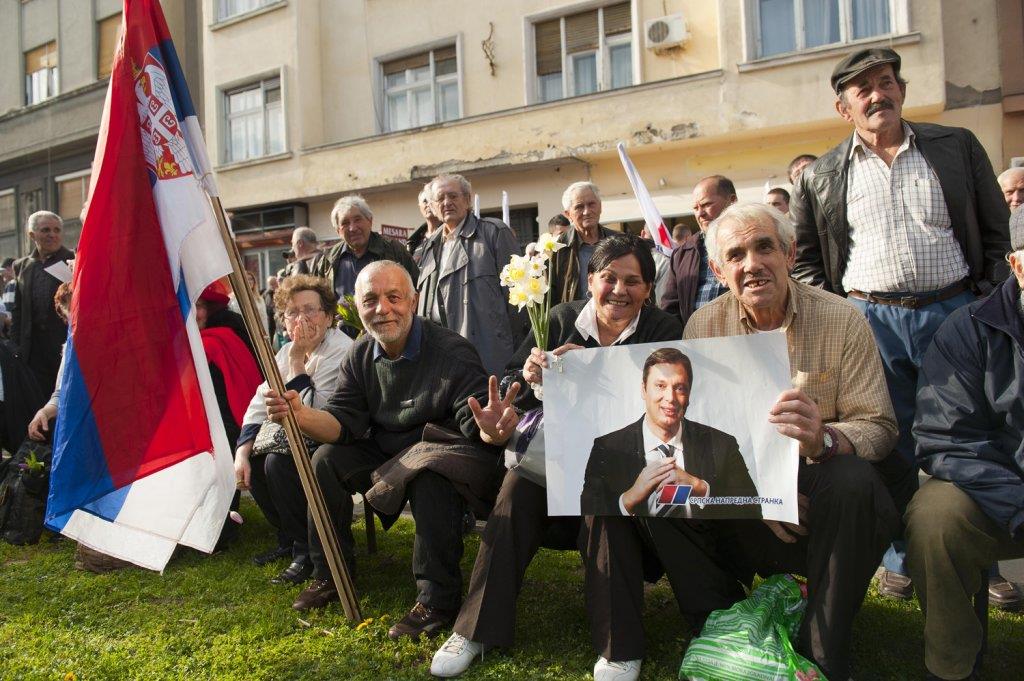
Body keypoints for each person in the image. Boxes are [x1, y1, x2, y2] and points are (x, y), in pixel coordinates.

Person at [790, 47, 1011, 601]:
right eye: (861, 90)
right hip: (870, 323)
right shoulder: (821, 175)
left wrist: (982, 303)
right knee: (886, 442)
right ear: (844, 108)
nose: (876, 95)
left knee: (969, 436)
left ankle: (982, 558)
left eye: (885, 83)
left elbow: (996, 231)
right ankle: (900, 557)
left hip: (954, 314)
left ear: (902, 91)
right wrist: (840, 316)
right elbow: (809, 261)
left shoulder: (955, 146)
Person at [430, 234, 682, 679]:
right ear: (590, 279)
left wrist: (602, 372)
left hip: (628, 463)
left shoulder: (663, 330)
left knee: (609, 499)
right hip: (557, 459)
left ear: (648, 288)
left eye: (633, 281)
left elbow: (673, 401)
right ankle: (474, 629)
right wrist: (527, 377)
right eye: (609, 278)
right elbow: (515, 380)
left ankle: (619, 646)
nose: (620, 291)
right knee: (516, 489)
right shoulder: (559, 317)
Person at [671, 202, 902, 680]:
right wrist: (759, 494)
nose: (752, 264)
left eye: (764, 247)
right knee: (666, 484)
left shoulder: (842, 319)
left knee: (853, 479)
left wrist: (824, 439)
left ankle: (821, 649)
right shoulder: (702, 327)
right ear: (718, 269)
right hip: (747, 491)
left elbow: (879, 427)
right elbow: (701, 439)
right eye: (736, 255)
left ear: (790, 253)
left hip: (820, 490)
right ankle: (721, 627)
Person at [265, 261, 506, 642]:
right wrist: (300, 414)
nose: (383, 308)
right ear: (357, 309)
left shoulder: (451, 351)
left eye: (394, 297)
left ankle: (437, 599)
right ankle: (330, 574)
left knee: (428, 473)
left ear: (413, 300)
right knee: (325, 460)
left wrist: (492, 426)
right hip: (389, 451)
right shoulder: (361, 355)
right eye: (371, 300)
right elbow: (341, 423)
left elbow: (474, 420)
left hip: (443, 453)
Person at [906, 209, 1024, 681]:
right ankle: (952, 667)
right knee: (936, 519)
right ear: (1016, 265)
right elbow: (947, 440)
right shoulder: (968, 328)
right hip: (1003, 496)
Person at [234, 275, 352, 582]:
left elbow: (317, 409)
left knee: (278, 463)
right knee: (258, 462)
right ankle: (290, 538)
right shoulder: (285, 352)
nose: (301, 319)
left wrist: (298, 362)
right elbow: (260, 400)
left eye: (310, 310)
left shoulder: (340, 350)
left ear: (328, 316)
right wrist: (242, 452)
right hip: (298, 436)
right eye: (292, 313)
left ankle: (308, 549)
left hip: (336, 437)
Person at [579, 347, 760, 519]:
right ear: (644, 389)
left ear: (689, 393)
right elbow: (589, 516)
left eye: (680, 388)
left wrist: (700, 488)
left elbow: (751, 510)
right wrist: (628, 499)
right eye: (660, 386)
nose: (671, 398)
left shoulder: (722, 445)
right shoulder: (607, 447)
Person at [415, 173, 521, 376]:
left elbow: (517, 301)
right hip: (440, 354)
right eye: (440, 198)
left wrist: (513, 352)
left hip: (487, 353)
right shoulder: (429, 245)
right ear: (433, 206)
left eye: (453, 196)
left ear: (467, 199)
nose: (447, 203)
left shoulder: (493, 233)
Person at [659, 176, 737, 326]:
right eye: (695, 208)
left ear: (732, 201)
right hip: (696, 343)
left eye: (707, 204)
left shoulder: (751, 242)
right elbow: (671, 308)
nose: (700, 213)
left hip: (745, 338)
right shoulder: (683, 253)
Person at [11, 211, 75, 394]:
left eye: (56, 230)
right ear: (32, 235)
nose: (52, 235)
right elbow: (18, 310)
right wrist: (16, 346)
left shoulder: (71, 259)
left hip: (63, 347)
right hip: (32, 353)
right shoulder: (22, 266)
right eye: (45, 230)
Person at [311, 195, 419, 304]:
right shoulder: (328, 260)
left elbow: (416, 288)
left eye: (357, 220)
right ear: (338, 230)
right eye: (345, 223)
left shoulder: (393, 250)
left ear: (370, 221)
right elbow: (318, 300)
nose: (352, 228)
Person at [547, 182, 616, 304]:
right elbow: (548, 299)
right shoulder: (556, 250)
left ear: (600, 207)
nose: (586, 212)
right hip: (574, 321)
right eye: (579, 207)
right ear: (568, 214)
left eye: (591, 204)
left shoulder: (619, 242)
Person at [408, 184, 442, 266]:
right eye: (425, 201)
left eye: (431, 200)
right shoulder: (413, 242)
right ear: (420, 206)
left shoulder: (449, 234)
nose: (429, 205)